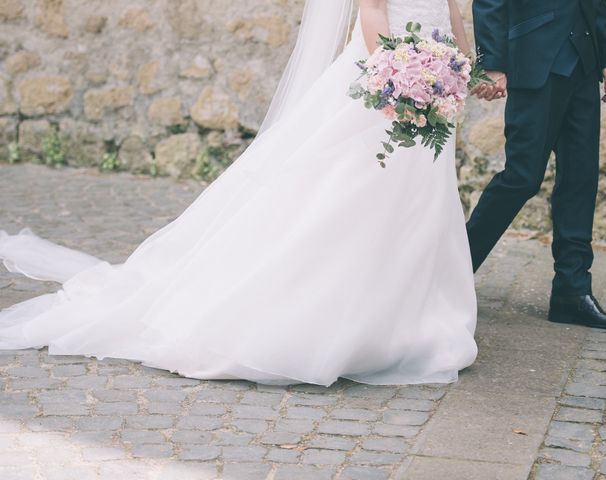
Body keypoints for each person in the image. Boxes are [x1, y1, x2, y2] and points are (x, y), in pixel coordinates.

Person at [0, 0, 479, 387]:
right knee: (352, 191)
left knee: (415, 197)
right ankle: (344, 317)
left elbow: (453, 9)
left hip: (433, 79)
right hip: (387, 75)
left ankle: (412, 314)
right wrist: (394, 80)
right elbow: (372, 9)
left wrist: (462, 65)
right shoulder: (389, 72)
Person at [468, 0, 606, 331]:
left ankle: (572, 292)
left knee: (581, 177)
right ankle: (451, 272)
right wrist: (493, 62)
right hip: (533, 59)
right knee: (522, 177)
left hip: (583, 63)